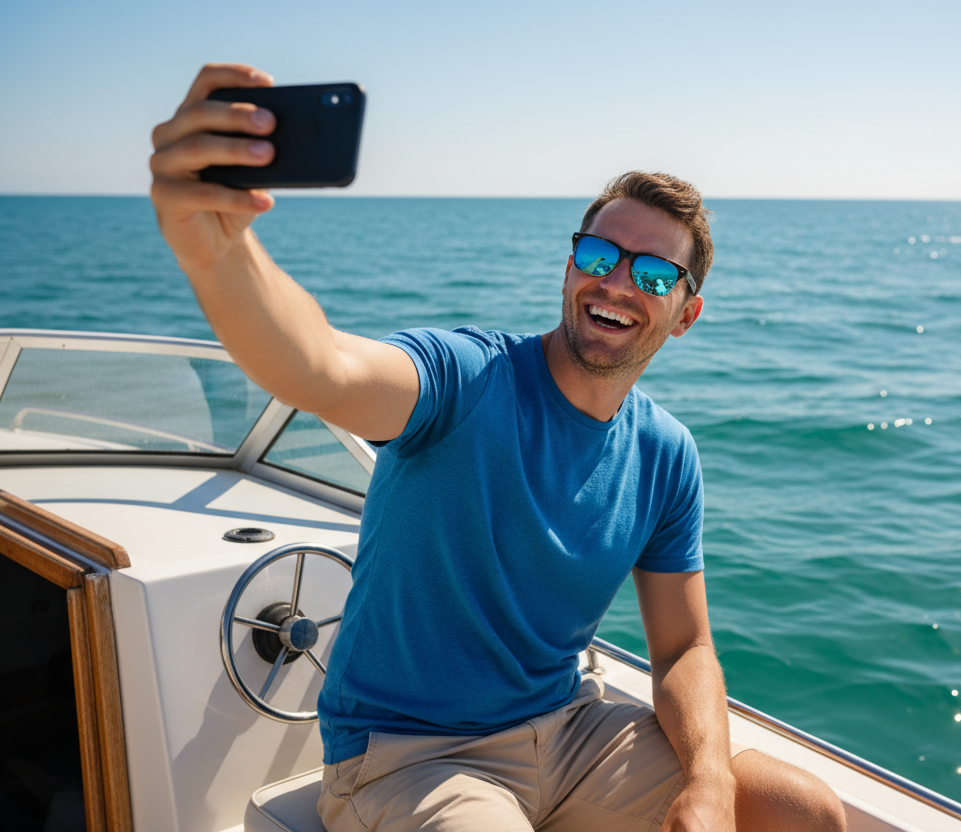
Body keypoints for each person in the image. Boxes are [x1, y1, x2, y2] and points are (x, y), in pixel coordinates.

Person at [151, 63, 847, 832]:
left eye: (652, 272)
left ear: (685, 314)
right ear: (569, 264)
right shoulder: (467, 377)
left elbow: (683, 647)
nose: (615, 283)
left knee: (804, 813)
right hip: (412, 753)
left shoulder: (666, 454)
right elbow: (321, 366)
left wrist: (710, 781)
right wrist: (216, 251)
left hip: (572, 732)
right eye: (597, 255)